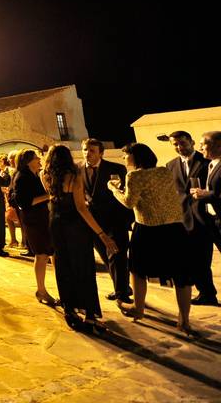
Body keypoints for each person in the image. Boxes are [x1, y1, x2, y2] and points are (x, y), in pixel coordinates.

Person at [110, 143, 194, 333]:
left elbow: (129, 203)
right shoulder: (164, 172)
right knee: (181, 274)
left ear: (135, 157)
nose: (124, 159)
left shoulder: (134, 175)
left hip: (148, 230)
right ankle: (184, 320)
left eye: (126, 156)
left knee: (138, 269)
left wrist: (114, 190)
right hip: (174, 228)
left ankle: (138, 309)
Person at [42, 145, 117, 332]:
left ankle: (70, 309)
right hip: (75, 226)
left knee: (63, 266)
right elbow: (81, 209)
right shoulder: (74, 177)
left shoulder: (44, 175)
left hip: (55, 224)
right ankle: (90, 314)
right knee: (83, 268)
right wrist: (102, 234)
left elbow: (53, 198)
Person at [166, 131, 216, 306]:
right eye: (175, 144)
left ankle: (208, 293)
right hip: (184, 220)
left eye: (182, 143)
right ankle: (207, 293)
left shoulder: (208, 162)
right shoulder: (170, 165)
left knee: (203, 259)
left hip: (207, 219)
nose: (179, 147)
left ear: (192, 142)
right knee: (194, 260)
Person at [81, 138, 133, 303]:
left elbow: (125, 193)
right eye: (85, 150)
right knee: (106, 256)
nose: (87, 153)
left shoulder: (116, 168)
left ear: (101, 153)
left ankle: (121, 294)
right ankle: (122, 286)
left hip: (115, 220)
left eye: (91, 151)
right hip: (94, 222)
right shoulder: (78, 170)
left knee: (117, 256)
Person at [11, 149, 57, 306]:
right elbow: (23, 202)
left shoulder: (33, 175)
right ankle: (41, 290)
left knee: (48, 253)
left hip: (42, 219)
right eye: (37, 158)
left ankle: (52, 289)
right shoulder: (22, 177)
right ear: (28, 160)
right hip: (34, 221)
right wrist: (49, 195)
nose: (40, 160)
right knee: (41, 255)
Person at [193, 132, 221, 304]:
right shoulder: (211, 164)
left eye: (204, 144)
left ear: (218, 145)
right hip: (212, 220)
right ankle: (208, 295)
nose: (200, 147)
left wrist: (207, 194)